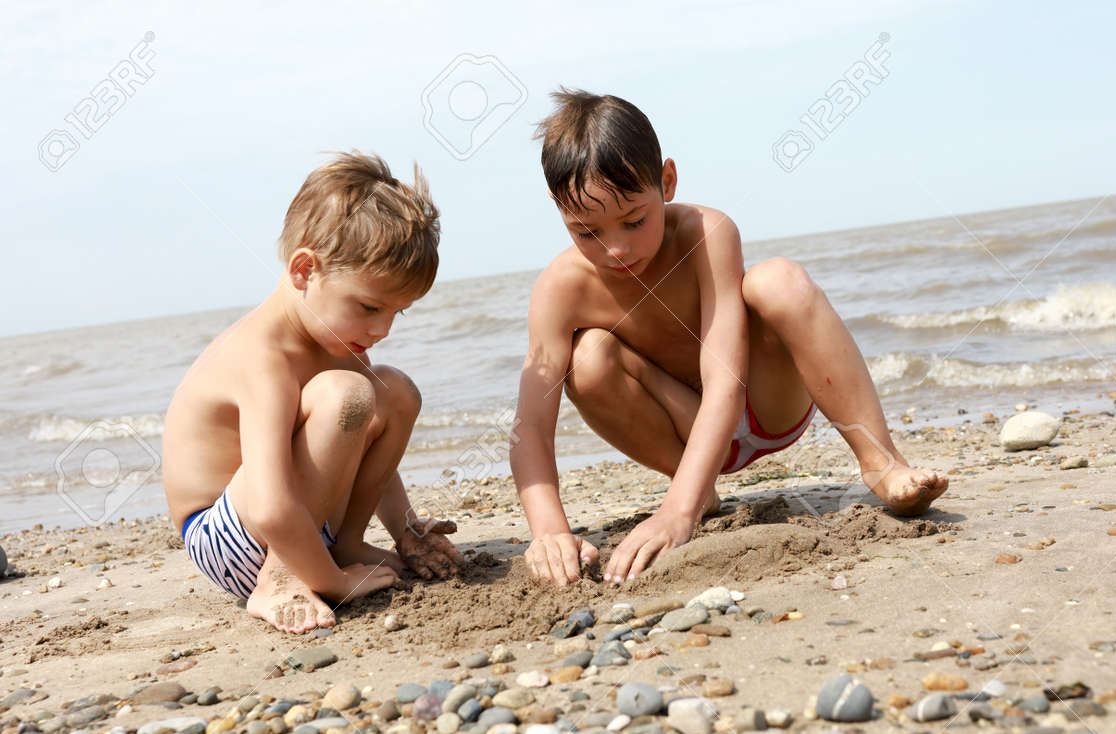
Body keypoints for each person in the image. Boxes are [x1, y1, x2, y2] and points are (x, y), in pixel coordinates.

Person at [511, 89, 948, 589]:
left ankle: (882, 464)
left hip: (765, 403)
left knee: (777, 279)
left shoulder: (706, 232)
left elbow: (725, 382)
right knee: (586, 358)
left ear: (667, 181)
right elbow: (530, 429)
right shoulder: (559, 290)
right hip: (684, 431)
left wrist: (676, 514)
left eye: (634, 221)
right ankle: (699, 488)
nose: (616, 248)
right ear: (558, 208)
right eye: (586, 232)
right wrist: (549, 532)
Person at [162, 152, 463, 634]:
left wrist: (406, 530)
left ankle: (344, 545)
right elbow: (269, 505)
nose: (382, 328)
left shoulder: (341, 342)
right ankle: (280, 582)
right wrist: (333, 582)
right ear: (305, 271)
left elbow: (373, 461)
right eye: (368, 306)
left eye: (396, 313)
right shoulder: (264, 357)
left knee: (396, 390)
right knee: (346, 395)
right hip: (233, 538)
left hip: (303, 522)